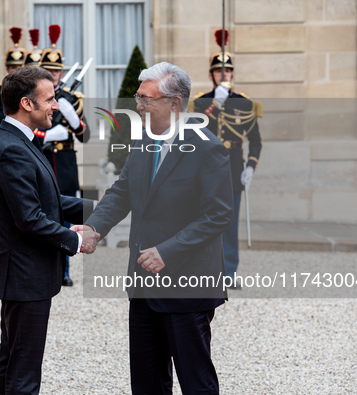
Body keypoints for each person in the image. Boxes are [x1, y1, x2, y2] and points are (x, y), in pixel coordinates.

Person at [82, 62, 233, 394]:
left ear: (175, 103)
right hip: (143, 286)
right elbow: (122, 192)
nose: (139, 106)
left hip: (187, 287)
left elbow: (218, 215)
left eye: (147, 99)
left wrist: (167, 251)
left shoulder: (208, 148)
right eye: (139, 97)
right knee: (147, 384)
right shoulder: (143, 141)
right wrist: (95, 228)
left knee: (196, 383)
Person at [0, 66, 99, 394]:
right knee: (23, 369)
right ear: (27, 104)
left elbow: (49, 198)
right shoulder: (11, 149)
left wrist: (102, 207)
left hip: (24, 273)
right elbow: (30, 218)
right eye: (50, 99)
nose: (56, 106)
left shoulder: (18, 140)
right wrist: (76, 240)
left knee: (10, 358)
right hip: (24, 273)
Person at [191, 30, 262, 288]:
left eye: (228, 71)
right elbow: (195, 131)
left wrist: (251, 167)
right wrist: (216, 105)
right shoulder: (201, 103)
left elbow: (255, 140)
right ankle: (208, 270)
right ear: (211, 75)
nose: (224, 75)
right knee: (206, 220)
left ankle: (229, 272)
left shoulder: (245, 103)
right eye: (219, 71)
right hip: (207, 169)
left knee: (229, 225)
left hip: (233, 167)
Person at [38, 24, 91, 286]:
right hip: (44, 159)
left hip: (66, 162)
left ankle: (65, 269)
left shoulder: (73, 98)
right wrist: (46, 136)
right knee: (44, 214)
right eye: (49, 70)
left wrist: (74, 119)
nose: (55, 75)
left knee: (67, 214)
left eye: (57, 70)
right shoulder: (35, 97)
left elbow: (86, 136)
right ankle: (47, 265)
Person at [0, 27, 25, 142]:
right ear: (7, 69)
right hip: (4, 138)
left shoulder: (29, 90)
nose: (16, 71)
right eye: (13, 67)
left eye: (19, 67)